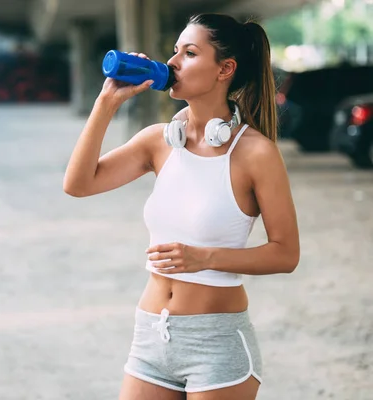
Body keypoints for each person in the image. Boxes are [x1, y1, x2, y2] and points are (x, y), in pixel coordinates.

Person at [63, 13, 300, 400]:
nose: (172, 63)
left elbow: (286, 254)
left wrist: (203, 257)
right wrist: (106, 103)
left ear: (225, 69)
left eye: (189, 53)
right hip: (151, 337)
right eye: (174, 51)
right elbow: (77, 184)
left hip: (216, 342)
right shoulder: (159, 141)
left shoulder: (256, 153)